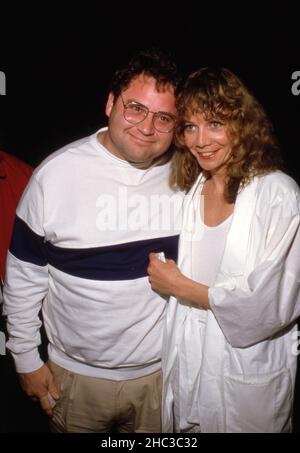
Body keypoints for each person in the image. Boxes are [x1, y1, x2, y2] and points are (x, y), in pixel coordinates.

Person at [3, 49, 183, 433]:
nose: (147, 127)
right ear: (110, 103)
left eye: (163, 117)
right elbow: (23, 278)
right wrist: (25, 360)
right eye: (135, 108)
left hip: (162, 376)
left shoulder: (188, 176)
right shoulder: (56, 177)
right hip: (75, 381)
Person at [147, 67, 300, 433]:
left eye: (215, 123)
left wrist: (180, 287)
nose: (201, 140)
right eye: (190, 126)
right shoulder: (193, 188)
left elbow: (272, 303)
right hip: (190, 365)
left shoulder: (278, 194)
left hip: (245, 374)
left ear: (242, 125)